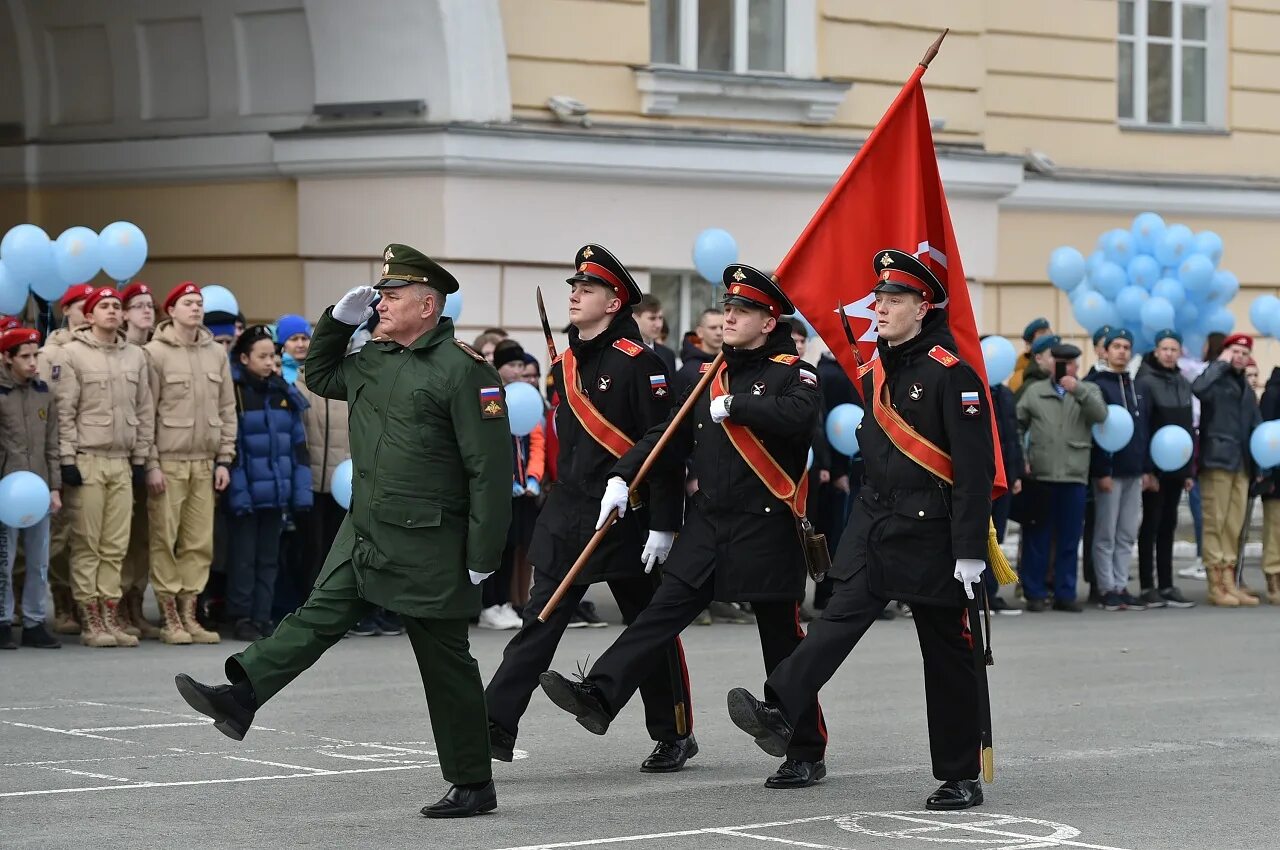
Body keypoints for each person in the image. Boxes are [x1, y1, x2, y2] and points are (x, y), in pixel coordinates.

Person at [175, 244, 512, 819]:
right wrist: (336, 321)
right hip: (367, 528)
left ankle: (472, 782)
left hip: (429, 540)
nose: (381, 302)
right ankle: (241, 697)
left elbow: (489, 469)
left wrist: (484, 551)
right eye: (379, 294)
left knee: (444, 662)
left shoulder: (464, 371)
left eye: (393, 294)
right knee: (316, 616)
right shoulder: (374, 357)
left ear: (428, 305)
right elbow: (319, 373)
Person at [726, 249, 998, 812]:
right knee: (835, 623)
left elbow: (973, 469)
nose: (880, 307)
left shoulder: (952, 374)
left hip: (932, 532)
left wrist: (970, 550)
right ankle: (779, 706)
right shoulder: (877, 369)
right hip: (875, 526)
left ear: (923, 308)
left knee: (945, 654)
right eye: (878, 298)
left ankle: (958, 774)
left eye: (893, 300)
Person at [539, 263, 828, 789]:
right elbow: (664, 437)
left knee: (780, 636)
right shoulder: (703, 372)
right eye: (728, 309)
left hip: (766, 526)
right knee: (658, 614)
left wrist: (739, 405)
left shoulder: (795, 371)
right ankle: (601, 693)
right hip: (709, 523)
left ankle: (803, 744)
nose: (728, 318)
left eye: (742, 311)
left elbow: (798, 418)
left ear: (769, 322)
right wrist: (624, 476)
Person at [486, 244, 696, 773]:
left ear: (613, 301)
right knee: (540, 622)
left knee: (648, 628)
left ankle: (673, 731)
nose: (575, 295)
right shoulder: (567, 362)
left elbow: (665, 444)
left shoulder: (640, 363)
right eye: (574, 288)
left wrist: (665, 525)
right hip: (569, 513)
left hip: (627, 519)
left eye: (588, 289)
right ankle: (492, 724)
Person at [55, 286, 156, 648]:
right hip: (87, 459)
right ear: (89, 315)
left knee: (115, 545)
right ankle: (91, 619)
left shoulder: (135, 356)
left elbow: (144, 411)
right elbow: (64, 412)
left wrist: (141, 458)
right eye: (105, 306)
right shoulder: (72, 355)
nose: (112, 311)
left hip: (121, 461)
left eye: (116, 306)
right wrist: (67, 460)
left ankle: (111, 616)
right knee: (88, 543)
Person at [142, 283, 238, 644]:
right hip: (167, 460)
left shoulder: (216, 353)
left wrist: (225, 458)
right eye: (188, 303)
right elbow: (145, 412)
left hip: (204, 461)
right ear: (172, 310)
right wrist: (150, 463)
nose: (196, 309)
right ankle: (170, 617)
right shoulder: (154, 353)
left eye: (199, 303)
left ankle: (189, 614)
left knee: (199, 542)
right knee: (165, 539)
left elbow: (227, 410)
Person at [224, 325, 312, 640]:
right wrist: (239, 492)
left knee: (268, 558)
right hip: (246, 492)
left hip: (276, 491)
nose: (269, 362)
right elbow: (232, 448)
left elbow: (298, 447)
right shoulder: (234, 392)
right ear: (244, 357)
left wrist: (300, 493)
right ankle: (242, 615)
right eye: (262, 356)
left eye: (272, 355)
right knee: (244, 558)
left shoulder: (282, 393)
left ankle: (263, 615)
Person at [1016, 340, 1107, 612]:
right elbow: (1017, 425)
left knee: (1069, 538)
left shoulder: (1089, 389)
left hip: (1074, 475)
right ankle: (1035, 592)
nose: (1067, 368)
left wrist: (1078, 390)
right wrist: (1023, 459)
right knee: (1037, 536)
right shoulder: (1035, 392)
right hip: (1041, 475)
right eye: (1061, 363)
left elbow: (1101, 416)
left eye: (1071, 364)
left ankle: (1065, 593)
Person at [38, 283, 96, 636]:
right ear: (69, 309)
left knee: (90, 537)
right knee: (60, 536)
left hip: (97, 450)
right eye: (82, 304)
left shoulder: (105, 347)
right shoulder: (51, 352)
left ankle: (90, 603)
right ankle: (62, 600)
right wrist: (62, 457)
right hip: (63, 451)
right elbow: (49, 410)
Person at [0, 327, 62, 649]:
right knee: (4, 560)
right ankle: (2, 620)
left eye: (35, 355)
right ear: (7, 358)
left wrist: (54, 488)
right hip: (6, 490)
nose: (33, 362)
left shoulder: (43, 393)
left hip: (38, 488)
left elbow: (52, 445)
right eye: (25, 356)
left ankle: (35, 621)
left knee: (39, 560)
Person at [1085, 329, 1152, 612]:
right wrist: (1103, 471)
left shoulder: (1135, 385)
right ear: (1106, 351)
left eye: (1127, 346)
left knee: (1127, 532)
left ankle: (1122, 584)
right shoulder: (1098, 384)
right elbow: (1099, 432)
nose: (1122, 351)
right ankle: (1106, 587)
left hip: (1134, 471)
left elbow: (1143, 429)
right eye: (1117, 346)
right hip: (1110, 472)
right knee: (1106, 533)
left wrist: (1146, 468)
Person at [1192, 332, 1261, 607]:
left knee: (1233, 525)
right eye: (1235, 352)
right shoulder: (1216, 378)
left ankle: (1230, 579)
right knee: (1215, 522)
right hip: (1218, 460)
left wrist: (1257, 465)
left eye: (1245, 354)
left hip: (1241, 463)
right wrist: (1219, 364)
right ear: (1226, 353)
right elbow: (1197, 388)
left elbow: (1254, 426)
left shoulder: (1244, 385)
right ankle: (1215, 583)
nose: (1240, 358)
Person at [478, 340, 539, 630]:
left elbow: (528, 438)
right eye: (511, 365)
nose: (517, 371)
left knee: (512, 545)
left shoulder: (524, 395)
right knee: (495, 548)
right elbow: (490, 437)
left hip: (519, 486)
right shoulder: (490, 392)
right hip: (496, 485)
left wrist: (530, 477)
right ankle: (489, 604)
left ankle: (503, 602)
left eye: (519, 366)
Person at [1135, 329, 1196, 608]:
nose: (1169, 353)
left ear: (1180, 352)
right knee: (1152, 523)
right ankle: (1148, 585)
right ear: (1157, 351)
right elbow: (1143, 428)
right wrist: (1147, 470)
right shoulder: (1145, 381)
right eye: (1165, 349)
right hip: (1154, 467)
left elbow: (1188, 429)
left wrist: (1188, 471)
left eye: (1174, 349)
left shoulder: (1183, 382)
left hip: (1177, 467)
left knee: (1169, 524)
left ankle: (1167, 583)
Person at [114, 281, 160, 640]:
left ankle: (134, 603)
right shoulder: (119, 352)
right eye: (139, 305)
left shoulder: (156, 350)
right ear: (124, 313)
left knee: (145, 537)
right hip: (125, 454)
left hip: (157, 451)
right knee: (120, 538)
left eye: (150, 305)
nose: (147, 310)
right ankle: (114, 607)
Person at [982, 335, 1023, 615]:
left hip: (1004, 475)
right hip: (981, 476)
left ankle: (992, 592)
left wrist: (1016, 473)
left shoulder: (1005, 394)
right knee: (979, 535)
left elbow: (1013, 437)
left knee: (998, 535)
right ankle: (978, 594)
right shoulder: (971, 389)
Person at [1258, 366, 1280, 605]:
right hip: (1277, 473)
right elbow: (1266, 434)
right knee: (1276, 529)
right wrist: (1267, 474)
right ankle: (1273, 575)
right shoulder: (1273, 392)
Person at [674, 308, 723, 395]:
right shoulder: (687, 371)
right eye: (713, 328)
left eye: (722, 327)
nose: (719, 332)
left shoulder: (731, 362)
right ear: (700, 332)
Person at [634, 293, 677, 374]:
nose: (659, 325)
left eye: (660, 318)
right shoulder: (622, 353)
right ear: (635, 318)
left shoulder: (668, 355)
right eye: (652, 318)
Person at [1008, 317, 1051, 395]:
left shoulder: (1059, 370)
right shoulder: (1019, 378)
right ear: (1029, 344)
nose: (1048, 341)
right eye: (1042, 335)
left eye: (1050, 335)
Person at [275, 314, 310, 386]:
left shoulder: (318, 369)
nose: (301, 345)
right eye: (294, 339)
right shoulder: (276, 371)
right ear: (282, 344)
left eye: (304, 338)